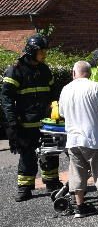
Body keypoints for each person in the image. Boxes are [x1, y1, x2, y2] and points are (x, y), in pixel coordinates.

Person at [1, 34, 62, 201]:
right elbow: (6, 99)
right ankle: (25, 188)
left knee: (50, 153)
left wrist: (55, 106)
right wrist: (12, 123)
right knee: (27, 156)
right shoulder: (15, 70)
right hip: (25, 123)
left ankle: (52, 182)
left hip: (46, 123)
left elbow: (54, 92)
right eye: (41, 52)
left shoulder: (45, 70)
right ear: (31, 51)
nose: (44, 55)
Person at [57, 61, 98, 217]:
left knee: (77, 173)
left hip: (73, 140)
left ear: (73, 73)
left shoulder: (65, 89)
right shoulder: (95, 87)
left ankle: (80, 207)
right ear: (89, 73)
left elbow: (62, 114)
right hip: (94, 139)